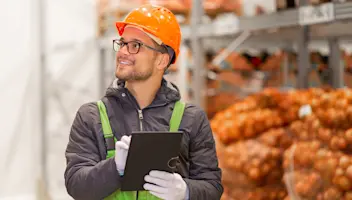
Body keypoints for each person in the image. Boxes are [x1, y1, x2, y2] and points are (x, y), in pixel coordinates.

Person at [64, 4, 223, 200]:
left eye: (135, 45)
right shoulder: (92, 116)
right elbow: (76, 185)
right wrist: (115, 168)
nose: (122, 52)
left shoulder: (191, 119)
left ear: (161, 61)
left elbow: (212, 187)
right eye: (122, 43)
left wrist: (186, 192)